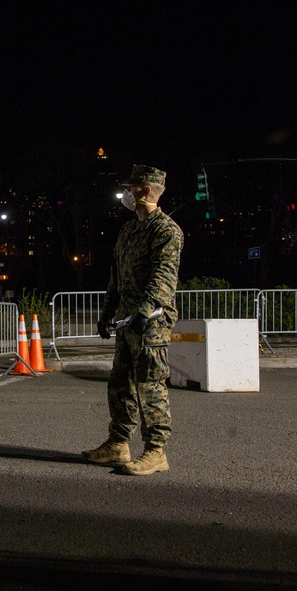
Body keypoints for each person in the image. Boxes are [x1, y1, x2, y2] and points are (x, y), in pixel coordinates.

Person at [83, 164, 184, 475]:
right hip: (128, 321)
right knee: (120, 384)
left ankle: (156, 452)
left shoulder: (166, 230)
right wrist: (107, 312)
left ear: (145, 190)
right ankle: (118, 444)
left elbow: (164, 277)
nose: (125, 193)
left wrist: (145, 310)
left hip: (150, 320)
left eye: (131, 188)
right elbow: (117, 276)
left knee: (150, 385)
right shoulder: (128, 230)